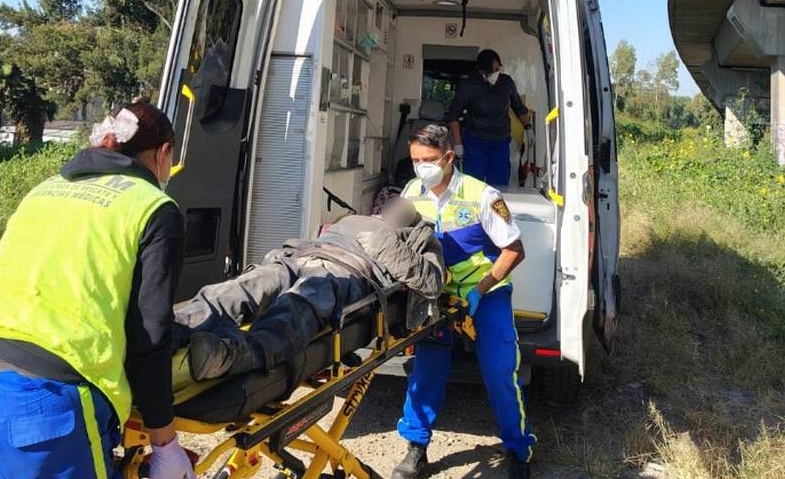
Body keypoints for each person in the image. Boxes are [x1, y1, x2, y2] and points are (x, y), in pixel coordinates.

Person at [0, 102, 195, 479]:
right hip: (38, 409)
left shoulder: (47, 188)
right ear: (164, 153)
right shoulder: (153, 207)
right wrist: (165, 444)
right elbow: (149, 336)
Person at [392, 124, 536, 479]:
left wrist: (480, 289)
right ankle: (416, 448)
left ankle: (518, 450)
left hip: (484, 296)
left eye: (428, 160)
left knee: (500, 372)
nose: (421, 167)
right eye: (415, 160)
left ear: (448, 158)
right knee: (426, 372)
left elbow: (514, 251)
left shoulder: (482, 196)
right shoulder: (412, 192)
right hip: (436, 298)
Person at [176, 198, 444, 381]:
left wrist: (390, 249)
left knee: (300, 301)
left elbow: (432, 282)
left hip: (346, 273)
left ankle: (233, 354)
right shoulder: (354, 219)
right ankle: (175, 327)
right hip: (299, 255)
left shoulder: (420, 238)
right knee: (246, 286)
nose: (398, 205)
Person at [446, 49, 532, 186]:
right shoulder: (468, 86)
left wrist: (528, 126)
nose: (496, 73)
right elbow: (453, 115)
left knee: (499, 183)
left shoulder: (506, 83)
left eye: (498, 69)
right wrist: (458, 143)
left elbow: (518, 107)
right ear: (481, 71)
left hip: (500, 142)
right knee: (473, 184)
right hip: (475, 141)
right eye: (492, 70)